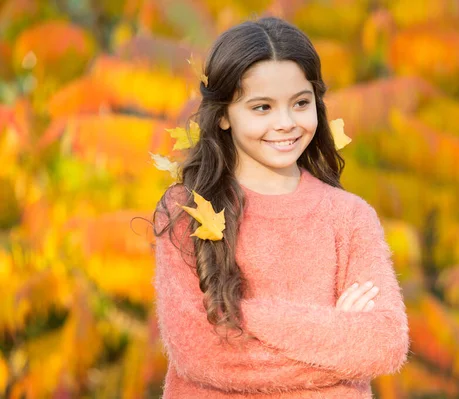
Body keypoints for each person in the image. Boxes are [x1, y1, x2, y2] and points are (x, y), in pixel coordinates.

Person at [152, 16, 409, 399]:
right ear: (223, 114)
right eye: (262, 108)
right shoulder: (186, 209)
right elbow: (198, 352)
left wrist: (239, 315)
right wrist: (336, 334)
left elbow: (384, 344)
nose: (286, 123)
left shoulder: (350, 217)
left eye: (301, 103)